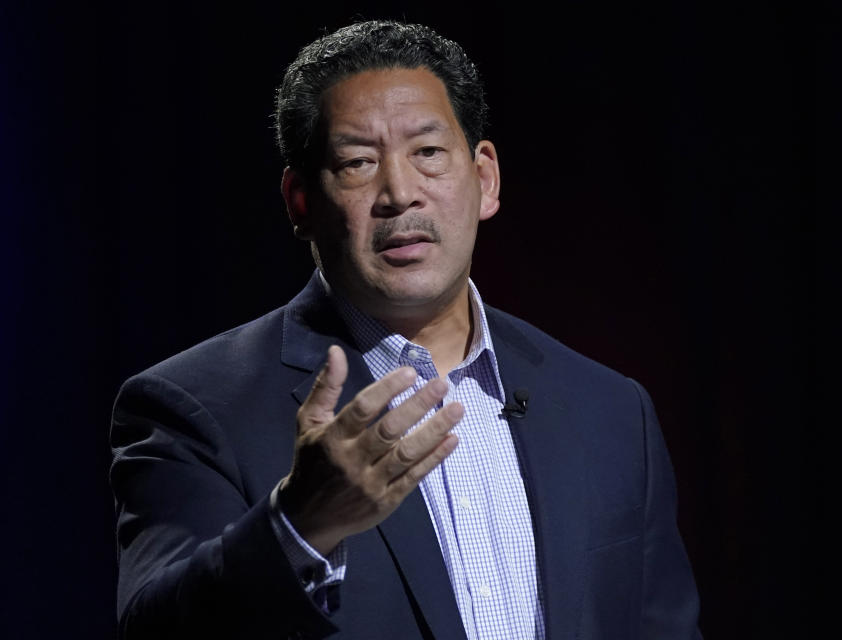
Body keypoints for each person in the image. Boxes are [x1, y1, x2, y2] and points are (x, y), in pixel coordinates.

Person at [110, 20, 702, 640]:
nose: (399, 193)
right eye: (357, 163)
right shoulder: (195, 408)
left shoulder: (610, 410)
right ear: (300, 202)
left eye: (427, 153)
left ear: (485, 179)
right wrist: (299, 526)